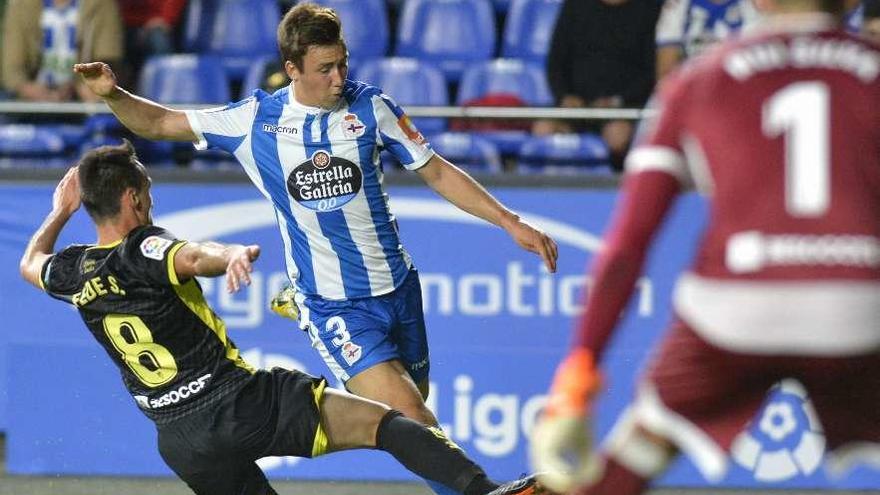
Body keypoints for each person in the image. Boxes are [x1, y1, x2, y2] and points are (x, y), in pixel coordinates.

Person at [73, 4, 558, 493]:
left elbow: (434, 169)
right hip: (333, 303)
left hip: (397, 288)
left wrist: (508, 221)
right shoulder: (255, 121)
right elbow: (160, 123)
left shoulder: (372, 108)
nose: (338, 78)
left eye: (342, 64)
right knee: (411, 414)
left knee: (418, 424)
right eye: (325, 69)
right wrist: (114, 94)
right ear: (292, 69)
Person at [18, 141, 546, 495]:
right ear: (134, 197)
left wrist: (60, 212)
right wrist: (230, 256)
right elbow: (189, 254)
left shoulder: (73, 269)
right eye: (148, 193)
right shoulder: (145, 245)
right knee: (386, 424)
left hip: (180, 441)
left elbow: (28, 264)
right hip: (240, 403)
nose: (152, 201)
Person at [530, 0, 880, 493]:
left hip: (732, 312)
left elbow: (627, 247)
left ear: (758, 2)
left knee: (639, 448)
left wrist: (578, 376)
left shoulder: (699, 80)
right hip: (859, 307)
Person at [541, 0, 660, 170]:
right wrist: (565, 96)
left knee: (618, 136)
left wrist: (618, 101)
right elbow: (556, 62)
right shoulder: (576, 5)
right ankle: (550, 190)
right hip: (577, 108)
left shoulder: (651, 8)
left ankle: (617, 189)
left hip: (625, 109)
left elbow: (652, 73)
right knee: (544, 129)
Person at [1, 0, 123, 102]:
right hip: (29, 99)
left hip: (81, 97)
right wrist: (26, 88)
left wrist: (80, 86)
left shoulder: (101, 5)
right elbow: (11, 67)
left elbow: (109, 60)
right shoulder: (20, 5)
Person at [655, 0, 759, 80]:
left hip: (739, 85)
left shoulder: (755, 5)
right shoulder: (678, 4)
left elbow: (761, 64)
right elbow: (666, 72)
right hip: (691, 87)